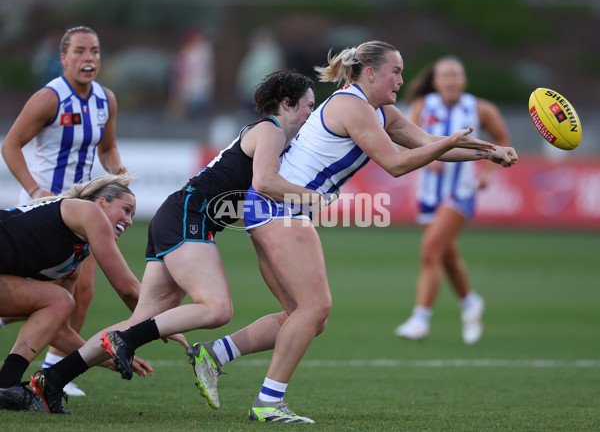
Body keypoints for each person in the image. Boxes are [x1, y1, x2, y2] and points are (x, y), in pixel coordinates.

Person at [178, 41, 518, 423]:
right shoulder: (351, 106)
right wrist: (452, 142)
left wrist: (488, 151)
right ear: (370, 73)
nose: (401, 80)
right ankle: (268, 403)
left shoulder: (378, 111)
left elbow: (427, 144)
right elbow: (397, 164)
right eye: (395, 71)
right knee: (316, 308)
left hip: (269, 209)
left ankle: (215, 354)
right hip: (281, 208)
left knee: (305, 318)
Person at [29, 69, 326, 415]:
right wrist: (312, 197)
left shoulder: (269, 135)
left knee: (140, 320)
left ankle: (52, 378)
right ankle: (127, 341)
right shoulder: (272, 131)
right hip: (189, 215)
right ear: (287, 104)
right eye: (308, 105)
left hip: (178, 214)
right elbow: (263, 182)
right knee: (217, 309)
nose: (311, 113)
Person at [0, 26, 128, 397]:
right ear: (64, 58)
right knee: (57, 293)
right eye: (80, 52)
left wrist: (116, 170)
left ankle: (53, 369)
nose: (89, 59)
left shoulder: (106, 99)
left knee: (78, 292)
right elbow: (11, 145)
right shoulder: (49, 98)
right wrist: (36, 190)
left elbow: (108, 148)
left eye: (96, 52)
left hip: (83, 210)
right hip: (47, 212)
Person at [0, 174, 152, 412]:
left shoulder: (75, 259)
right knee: (60, 300)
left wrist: (104, 357)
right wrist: (161, 324)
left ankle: (7, 385)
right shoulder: (88, 212)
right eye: (126, 209)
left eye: (132, 215)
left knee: (60, 303)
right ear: (101, 203)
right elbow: (129, 290)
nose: (129, 220)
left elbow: (56, 327)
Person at [394, 56, 511, 344]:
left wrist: (487, 172)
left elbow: (501, 139)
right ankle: (470, 303)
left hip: (461, 192)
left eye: (455, 75)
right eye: (445, 75)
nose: (450, 80)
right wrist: (426, 158)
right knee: (446, 256)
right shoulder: (423, 105)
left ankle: (420, 318)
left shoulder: (480, 108)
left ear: (464, 80)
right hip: (428, 193)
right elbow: (403, 139)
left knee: (431, 250)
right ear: (435, 81)